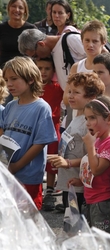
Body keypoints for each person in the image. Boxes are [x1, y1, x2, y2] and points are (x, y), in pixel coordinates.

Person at [0, 57, 57, 210]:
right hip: (8, 174)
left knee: (27, 220)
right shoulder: (10, 106)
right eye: (6, 79)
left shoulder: (41, 107)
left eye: (14, 78)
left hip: (28, 176)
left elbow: (40, 143)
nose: (9, 84)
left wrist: (17, 165)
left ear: (31, 79)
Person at [49, 72, 104, 214]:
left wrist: (67, 163)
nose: (70, 96)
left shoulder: (88, 123)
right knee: (70, 226)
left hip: (79, 186)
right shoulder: (76, 116)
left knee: (77, 226)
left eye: (76, 92)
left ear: (91, 97)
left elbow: (93, 157)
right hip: (69, 183)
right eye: (70, 91)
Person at [68, 96, 110, 234]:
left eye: (92, 118)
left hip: (102, 200)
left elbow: (97, 169)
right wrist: (81, 181)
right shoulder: (97, 140)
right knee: (91, 238)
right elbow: (92, 169)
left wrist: (90, 145)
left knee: (102, 240)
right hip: (90, 198)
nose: (88, 123)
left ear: (109, 119)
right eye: (86, 118)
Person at [36, 57, 64, 211]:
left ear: (53, 71)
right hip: (35, 130)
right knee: (36, 159)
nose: (43, 72)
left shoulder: (58, 87)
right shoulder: (30, 87)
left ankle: (50, 192)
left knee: (51, 161)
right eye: (40, 68)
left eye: (47, 69)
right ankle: (37, 191)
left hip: (53, 129)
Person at [18, 28, 86, 90]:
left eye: (35, 55)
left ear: (41, 44)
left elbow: (95, 59)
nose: (38, 59)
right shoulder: (53, 53)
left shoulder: (71, 40)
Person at [0, 0, 36, 68]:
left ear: (25, 11)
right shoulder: (1, 28)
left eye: (20, 8)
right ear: (9, 8)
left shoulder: (31, 29)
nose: (17, 10)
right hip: (4, 70)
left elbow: (37, 53)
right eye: (13, 6)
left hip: (25, 70)